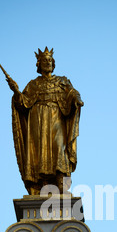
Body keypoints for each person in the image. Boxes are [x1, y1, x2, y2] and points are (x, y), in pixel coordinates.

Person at [8, 47, 83, 195]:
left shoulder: (62, 81)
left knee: (58, 147)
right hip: (38, 119)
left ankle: (61, 182)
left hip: (57, 118)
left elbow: (73, 93)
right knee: (39, 152)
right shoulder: (33, 85)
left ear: (53, 63)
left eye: (50, 60)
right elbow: (23, 103)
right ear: (39, 64)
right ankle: (43, 185)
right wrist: (16, 92)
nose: (47, 63)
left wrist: (76, 99)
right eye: (44, 61)